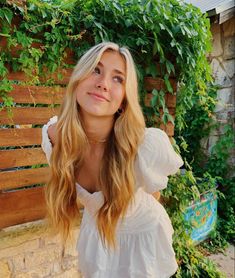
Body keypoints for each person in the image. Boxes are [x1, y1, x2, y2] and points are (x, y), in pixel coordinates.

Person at [41, 41, 183, 278]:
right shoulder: (54, 137)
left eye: (118, 79)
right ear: (77, 80)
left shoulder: (144, 146)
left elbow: (154, 194)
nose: (103, 84)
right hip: (96, 239)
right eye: (96, 70)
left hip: (142, 241)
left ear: (124, 100)